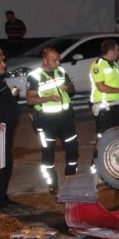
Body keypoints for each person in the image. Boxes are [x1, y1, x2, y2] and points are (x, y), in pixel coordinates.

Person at [25, 47, 79, 194]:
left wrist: (67, 88)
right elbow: (29, 99)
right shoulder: (35, 76)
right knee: (48, 152)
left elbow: (72, 90)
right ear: (44, 61)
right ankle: (52, 182)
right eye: (54, 60)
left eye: (59, 59)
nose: (58, 62)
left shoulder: (61, 71)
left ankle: (71, 176)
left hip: (66, 119)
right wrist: (49, 98)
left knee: (73, 149)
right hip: (46, 121)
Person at [89, 40, 119, 168]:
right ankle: (95, 166)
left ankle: (111, 164)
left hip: (116, 105)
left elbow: (117, 79)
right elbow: (101, 87)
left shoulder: (113, 64)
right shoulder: (98, 65)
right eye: (117, 50)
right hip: (104, 107)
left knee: (116, 135)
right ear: (111, 52)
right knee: (103, 138)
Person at [0, 45, 20, 209]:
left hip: (5, 128)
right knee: (1, 164)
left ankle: (0, 196)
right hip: (0, 128)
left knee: (5, 162)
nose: (4, 64)